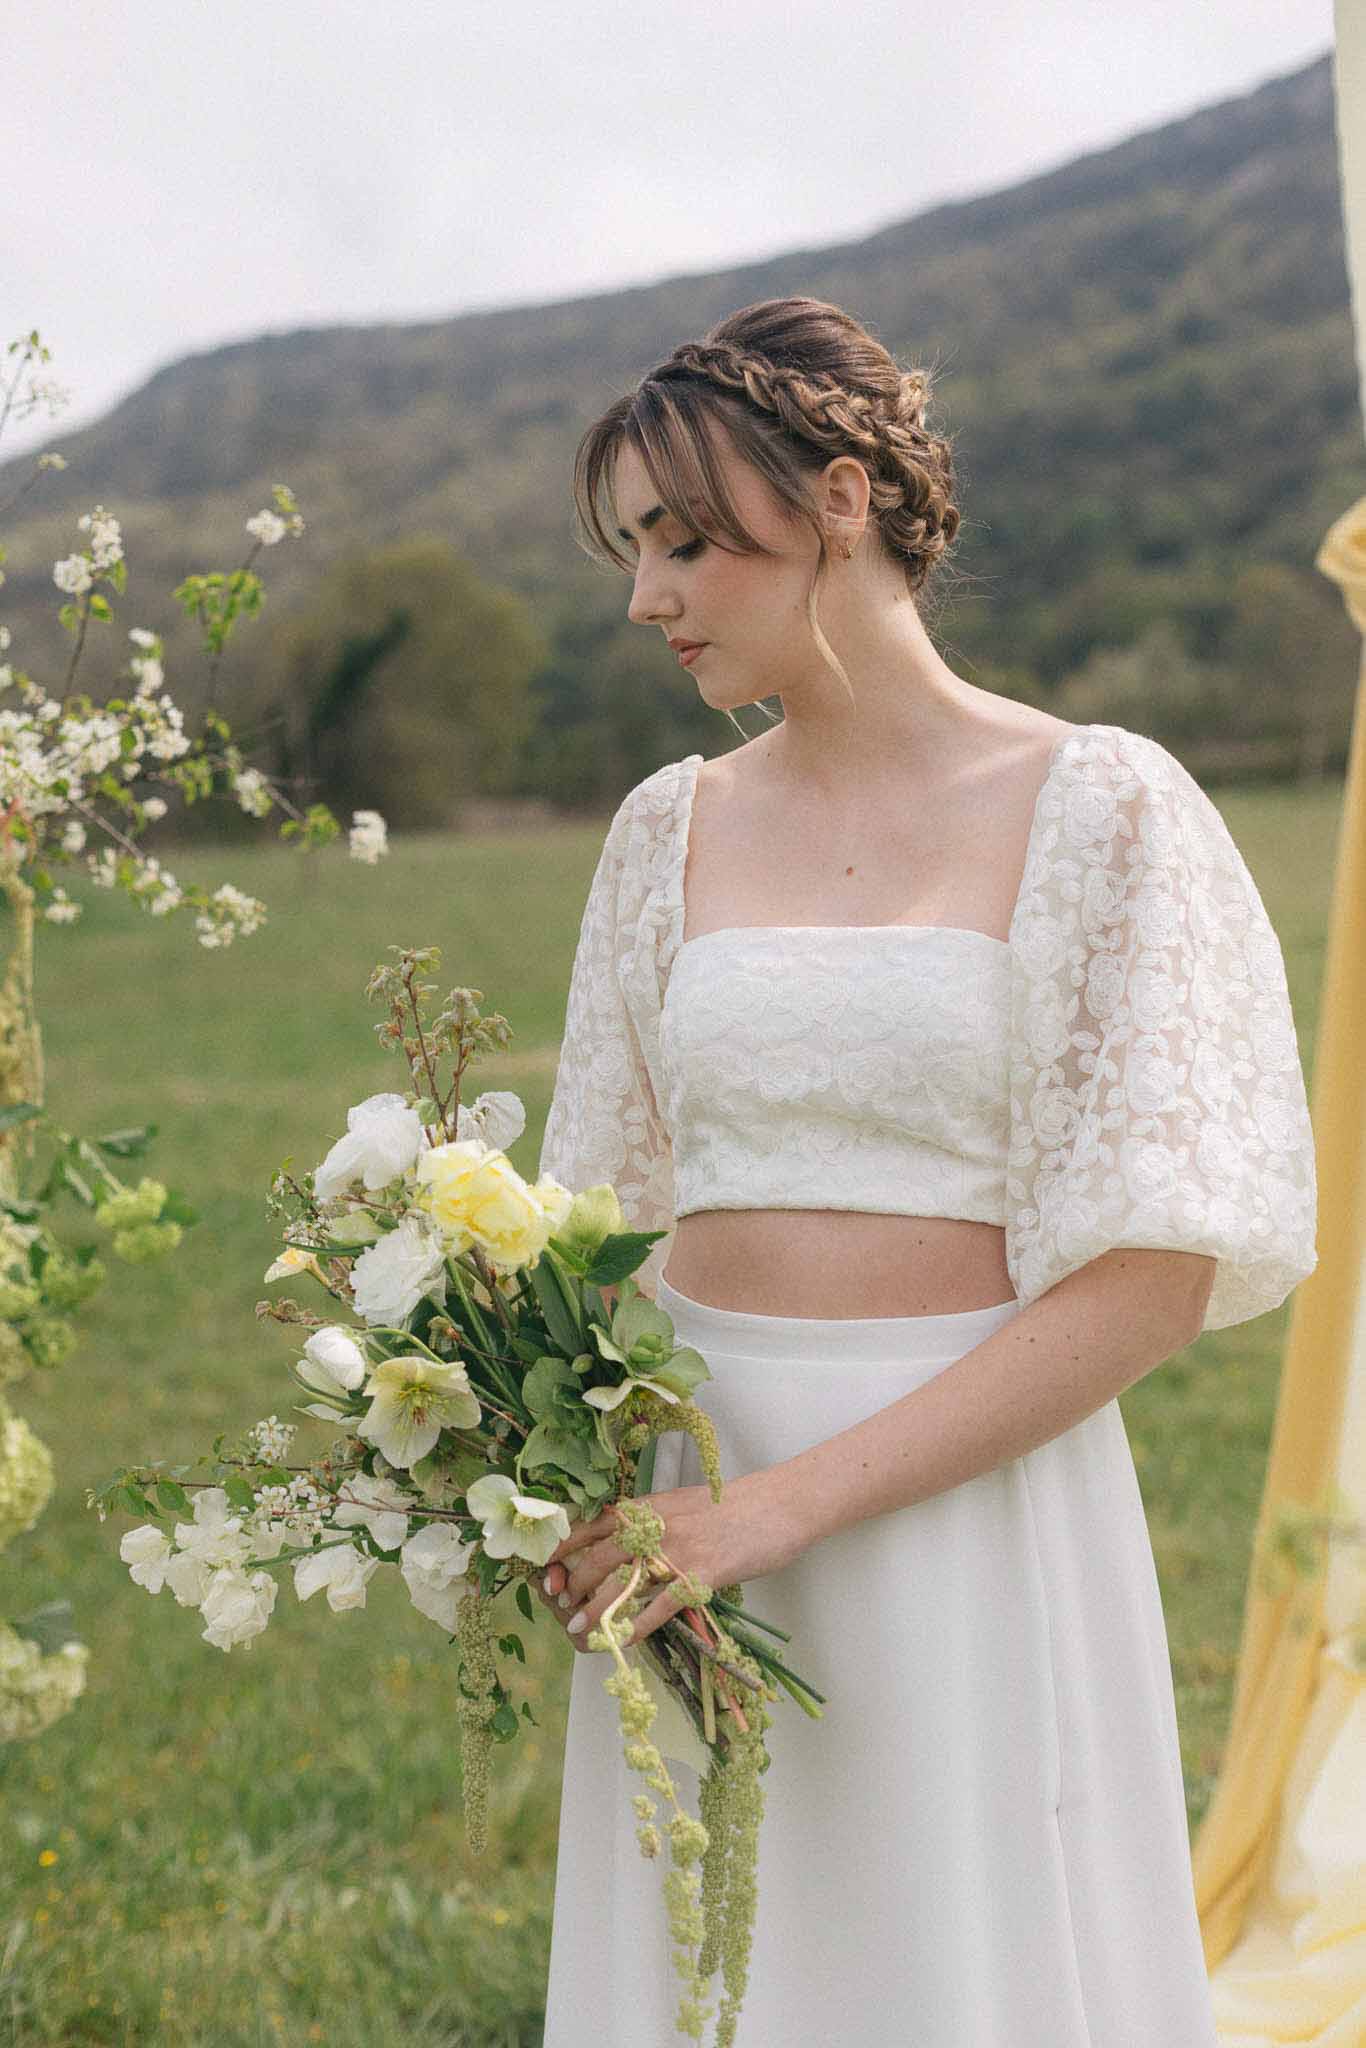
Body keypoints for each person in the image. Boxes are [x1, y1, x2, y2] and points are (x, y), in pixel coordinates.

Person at [530, 295, 1318, 2046]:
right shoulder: (667, 827)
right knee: (713, 1955)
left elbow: (1153, 1272)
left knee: (959, 1964)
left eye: (682, 542)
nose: (646, 597)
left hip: (963, 1503)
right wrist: (540, 1463)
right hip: (689, 1489)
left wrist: (784, 1510)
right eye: (633, 552)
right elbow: (598, 1216)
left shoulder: (1101, 807)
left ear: (836, 501)